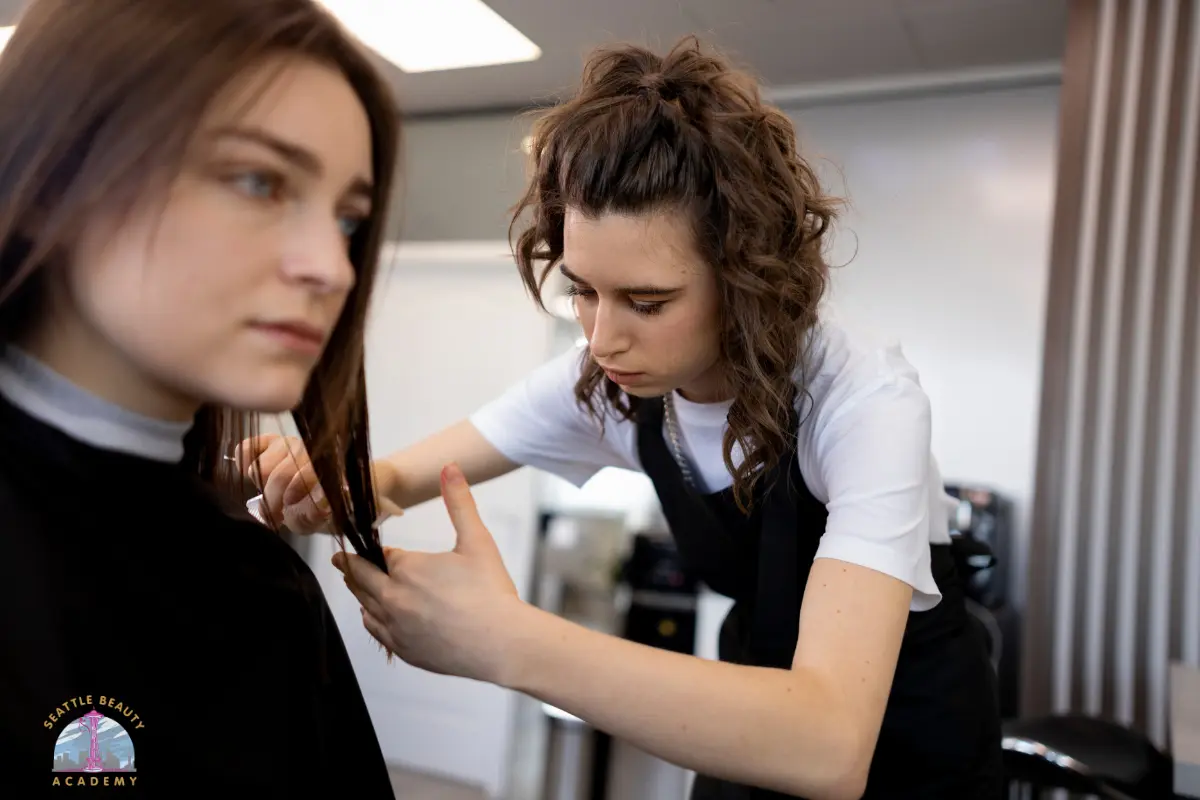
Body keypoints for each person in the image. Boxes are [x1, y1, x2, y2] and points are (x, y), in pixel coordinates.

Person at [243, 37, 1003, 799]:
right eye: (582, 290)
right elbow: (396, 480)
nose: (601, 338)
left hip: (905, 743)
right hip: (749, 710)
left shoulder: (862, 401)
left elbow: (830, 746)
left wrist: (507, 641)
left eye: (647, 302)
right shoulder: (605, 383)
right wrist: (325, 486)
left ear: (745, 279)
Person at [0, 0, 400, 795]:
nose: (332, 267)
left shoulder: (269, 600)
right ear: (52, 176)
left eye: (350, 221)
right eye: (259, 181)